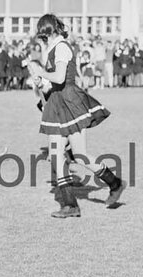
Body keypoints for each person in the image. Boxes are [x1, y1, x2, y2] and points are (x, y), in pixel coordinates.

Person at [27, 13, 123, 218]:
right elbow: (52, 84)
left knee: (78, 155)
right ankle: (71, 204)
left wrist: (40, 72)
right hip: (57, 102)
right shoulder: (53, 48)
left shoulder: (61, 47)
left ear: (51, 31)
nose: (45, 39)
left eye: (46, 35)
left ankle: (113, 184)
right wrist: (41, 84)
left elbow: (61, 78)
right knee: (59, 155)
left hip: (68, 102)